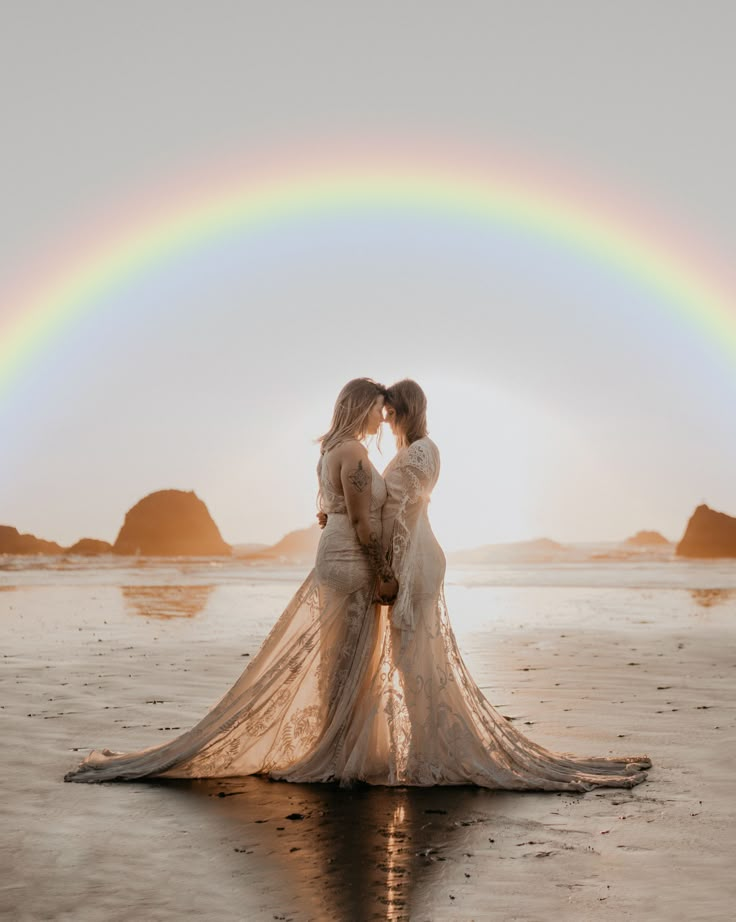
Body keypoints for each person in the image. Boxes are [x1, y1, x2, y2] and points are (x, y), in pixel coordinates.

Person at [65, 378, 396, 783]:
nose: (383, 417)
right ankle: (340, 752)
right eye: (379, 408)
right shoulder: (355, 453)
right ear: (362, 407)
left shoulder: (330, 451)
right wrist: (384, 573)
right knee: (349, 657)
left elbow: (333, 510)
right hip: (351, 559)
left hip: (333, 552)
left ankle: (339, 743)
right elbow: (362, 522)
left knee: (336, 658)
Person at [365, 379, 651, 790]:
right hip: (414, 555)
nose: (387, 420)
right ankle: (425, 749)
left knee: (413, 658)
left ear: (407, 409)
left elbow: (403, 520)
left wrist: (391, 571)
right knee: (415, 658)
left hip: (415, 560)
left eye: (391, 412)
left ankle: (428, 754)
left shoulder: (420, 452)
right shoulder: (411, 450)